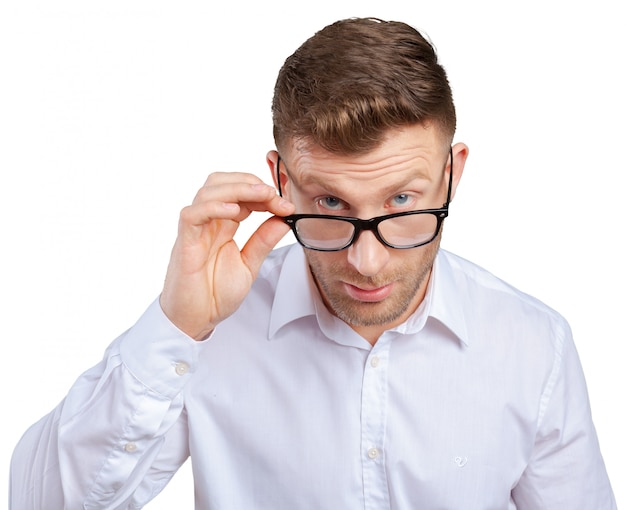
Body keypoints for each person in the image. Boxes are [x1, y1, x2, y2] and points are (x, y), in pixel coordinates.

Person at [10, 17, 616, 509]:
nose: (368, 259)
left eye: (402, 200)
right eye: (330, 203)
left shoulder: (536, 345)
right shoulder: (211, 333)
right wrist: (175, 327)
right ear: (282, 182)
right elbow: (40, 502)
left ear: (452, 173)